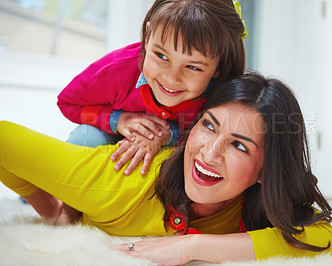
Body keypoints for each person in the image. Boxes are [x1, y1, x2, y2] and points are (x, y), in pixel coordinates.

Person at [0, 72, 332, 265]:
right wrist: (53, 211)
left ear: (266, 170)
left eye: (239, 145)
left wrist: (193, 247)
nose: (209, 153)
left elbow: (323, 237)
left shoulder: (259, 199)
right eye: (209, 126)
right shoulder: (118, 183)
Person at [57, 0, 246, 176]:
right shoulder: (117, 69)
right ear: (148, 37)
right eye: (161, 55)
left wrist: (168, 134)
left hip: (175, 155)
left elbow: (217, 140)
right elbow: (68, 103)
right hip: (112, 140)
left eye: (193, 67)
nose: (171, 78)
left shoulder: (222, 96)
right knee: (85, 138)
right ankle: (67, 209)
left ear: (219, 67)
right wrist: (118, 121)